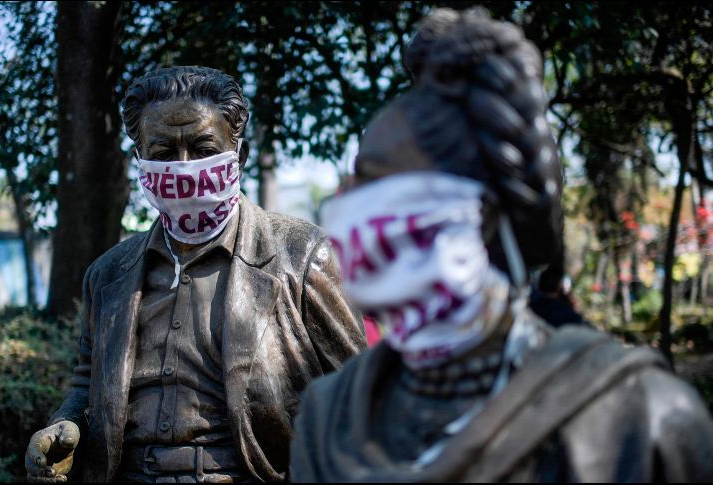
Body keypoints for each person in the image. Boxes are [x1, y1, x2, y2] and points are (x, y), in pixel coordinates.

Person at [290, 9, 713, 482]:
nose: (347, 209)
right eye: (351, 185)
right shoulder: (325, 419)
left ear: (481, 209)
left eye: (376, 184)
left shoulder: (642, 418)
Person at [25, 66, 366, 483]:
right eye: (164, 152)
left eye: (203, 148)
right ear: (140, 162)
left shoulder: (303, 257)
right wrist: (68, 424)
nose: (183, 168)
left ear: (238, 154)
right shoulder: (107, 275)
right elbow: (87, 383)